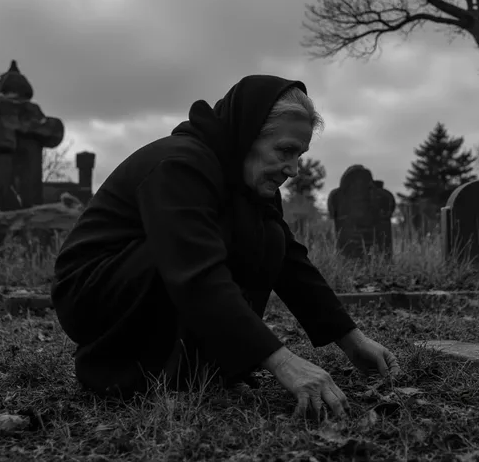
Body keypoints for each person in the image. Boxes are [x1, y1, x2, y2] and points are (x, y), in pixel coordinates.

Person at [51, 74, 400, 418]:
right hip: (95, 293)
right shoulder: (180, 164)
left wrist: (352, 340)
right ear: (247, 134)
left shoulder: (248, 181)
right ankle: (137, 375)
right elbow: (196, 273)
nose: (293, 169)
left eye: (300, 155)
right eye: (285, 151)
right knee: (203, 242)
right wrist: (283, 362)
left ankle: (204, 371)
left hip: (161, 270)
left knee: (271, 237)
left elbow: (291, 264)